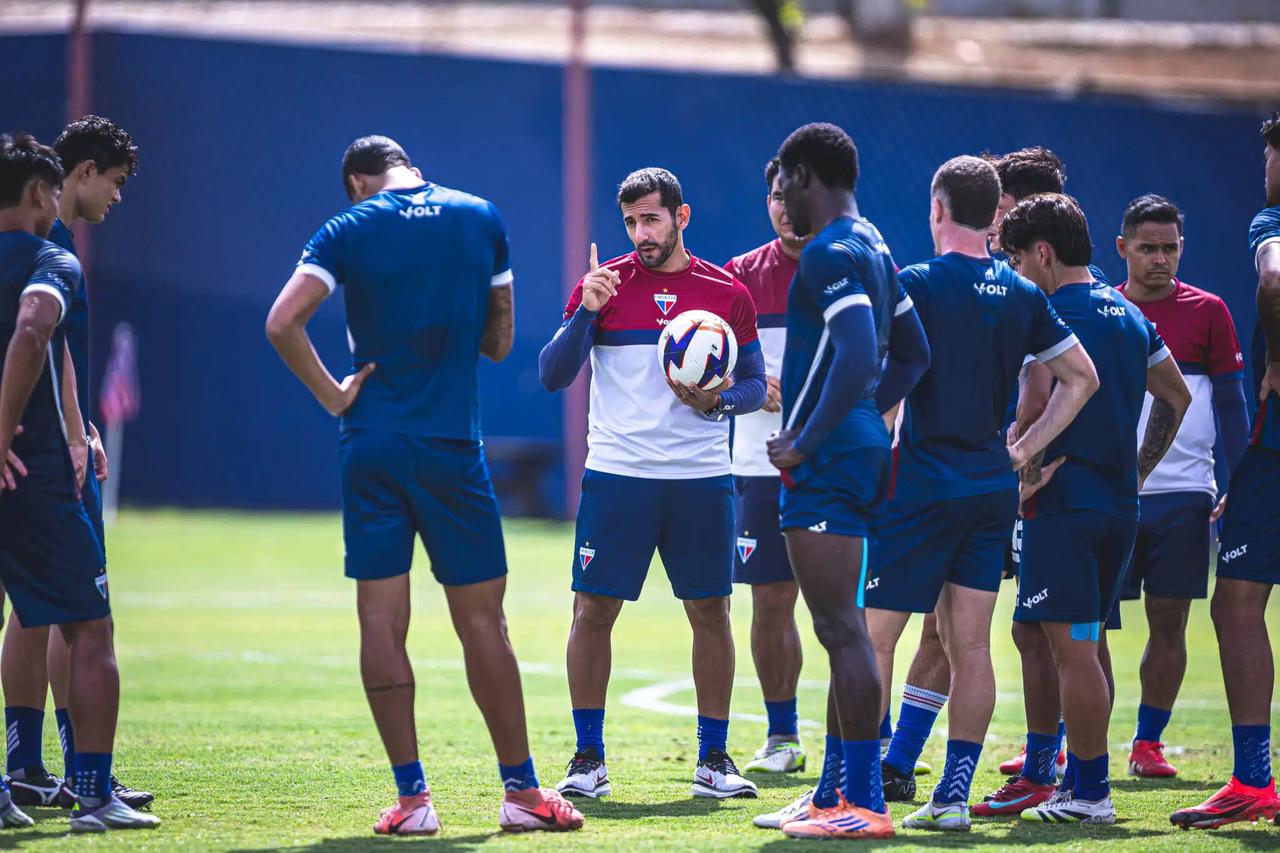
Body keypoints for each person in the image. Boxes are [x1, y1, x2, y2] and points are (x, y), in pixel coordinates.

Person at [266, 135, 583, 836]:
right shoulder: (480, 216)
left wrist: (333, 395)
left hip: (372, 443)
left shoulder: (347, 226)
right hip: (451, 447)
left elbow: (282, 322)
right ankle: (522, 794)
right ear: (411, 165)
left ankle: (414, 802)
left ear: (357, 181)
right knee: (485, 622)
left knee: (380, 622)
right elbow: (499, 343)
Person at [862, 156, 1098, 831]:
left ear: (938, 209)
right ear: (992, 215)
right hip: (991, 488)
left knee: (874, 640)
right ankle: (952, 799)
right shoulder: (1022, 292)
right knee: (971, 647)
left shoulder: (915, 282)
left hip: (921, 484)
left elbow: (884, 377)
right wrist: (1020, 450)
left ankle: (858, 792)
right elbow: (1081, 378)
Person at [540, 167, 766, 801]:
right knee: (592, 610)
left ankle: (714, 760)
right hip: (619, 476)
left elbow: (754, 385)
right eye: (631, 222)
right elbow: (553, 374)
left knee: (711, 612)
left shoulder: (726, 292)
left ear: (681, 217)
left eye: (652, 219)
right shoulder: (603, 285)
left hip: (700, 477)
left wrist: (718, 403)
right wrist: (585, 314)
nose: (641, 233)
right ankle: (588, 759)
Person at [758, 122, 930, 840]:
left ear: (802, 175)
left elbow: (860, 350)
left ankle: (863, 802)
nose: (780, 202)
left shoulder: (829, 249)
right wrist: (863, 415)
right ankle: (832, 792)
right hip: (858, 448)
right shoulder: (875, 245)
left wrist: (806, 438)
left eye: (781, 186)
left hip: (828, 461)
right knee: (843, 630)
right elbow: (913, 354)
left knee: (842, 630)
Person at [1001, 193, 1190, 825]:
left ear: (1042, 253)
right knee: (1079, 643)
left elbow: (1032, 408)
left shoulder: (1046, 314)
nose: (1017, 273)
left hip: (1062, 507)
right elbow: (1177, 396)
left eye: (1017, 260)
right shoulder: (1129, 314)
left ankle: (1089, 795)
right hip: (1118, 508)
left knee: (1074, 652)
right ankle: (1077, 785)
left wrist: (1023, 470)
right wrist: (1137, 470)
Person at [0, 131, 158, 832]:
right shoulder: (49, 252)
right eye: (116, 182)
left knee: (28, 609)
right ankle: (85, 785)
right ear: (58, 184)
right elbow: (40, 336)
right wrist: (65, 431)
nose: (117, 197)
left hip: (46, 445)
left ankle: (25, 770)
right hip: (35, 463)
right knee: (85, 619)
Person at [1170, 112, 1280, 831]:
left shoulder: (1272, 220)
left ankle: (1254, 781)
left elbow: (1273, 277)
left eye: (1269, 155)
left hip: (1275, 449)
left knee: (1236, 602)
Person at [1114, 194, 1249, 779]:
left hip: (1186, 495)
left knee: (1169, 620)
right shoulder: (1105, 309)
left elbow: (1232, 405)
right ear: (1122, 248)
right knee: (1084, 626)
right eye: (1148, 248)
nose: (1160, 259)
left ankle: (1148, 743)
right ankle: (1067, 742)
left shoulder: (1209, 311)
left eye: (1170, 248)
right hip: (1110, 495)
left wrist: (1240, 483)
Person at [725, 157, 809, 775]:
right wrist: (749, 380)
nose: (785, 207)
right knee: (771, 601)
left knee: (858, 609)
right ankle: (783, 737)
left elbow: (895, 356)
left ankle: (880, 738)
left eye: (795, 195)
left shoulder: (859, 264)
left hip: (842, 466)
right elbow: (706, 360)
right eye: (776, 196)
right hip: (760, 466)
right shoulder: (740, 276)